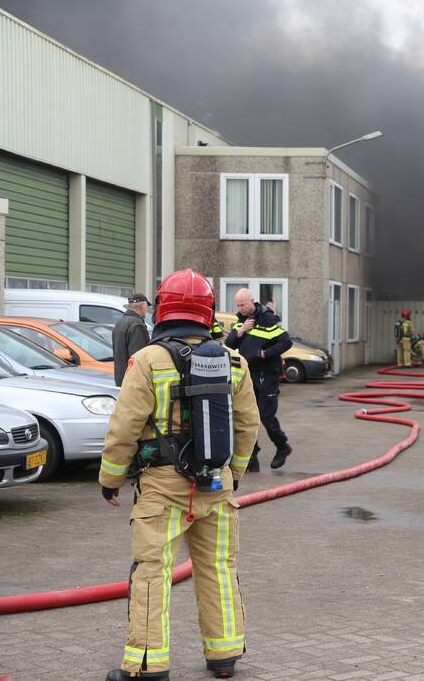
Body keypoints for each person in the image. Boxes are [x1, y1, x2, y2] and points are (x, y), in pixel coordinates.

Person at [98, 269, 260, 680]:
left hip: (163, 488)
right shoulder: (233, 361)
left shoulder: (149, 361)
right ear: (207, 312)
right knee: (219, 568)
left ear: (163, 308)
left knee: (152, 570)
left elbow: (124, 427)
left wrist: (110, 479)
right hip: (217, 485)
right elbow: (247, 426)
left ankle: (149, 665)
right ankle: (224, 656)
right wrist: (234, 474)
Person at [225, 289, 293, 470]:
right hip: (249, 373)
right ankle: (252, 457)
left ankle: (282, 446)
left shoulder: (267, 318)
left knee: (266, 415)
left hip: (267, 373)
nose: (240, 308)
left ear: (252, 302)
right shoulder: (241, 320)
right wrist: (240, 332)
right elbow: (229, 344)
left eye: (243, 305)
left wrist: (265, 354)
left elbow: (286, 342)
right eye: (238, 305)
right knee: (248, 415)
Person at [112, 293, 151, 386]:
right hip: (133, 381)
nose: (147, 309)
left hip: (121, 378)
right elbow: (138, 357)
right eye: (147, 306)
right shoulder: (137, 325)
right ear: (142, 306)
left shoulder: (120, 322)